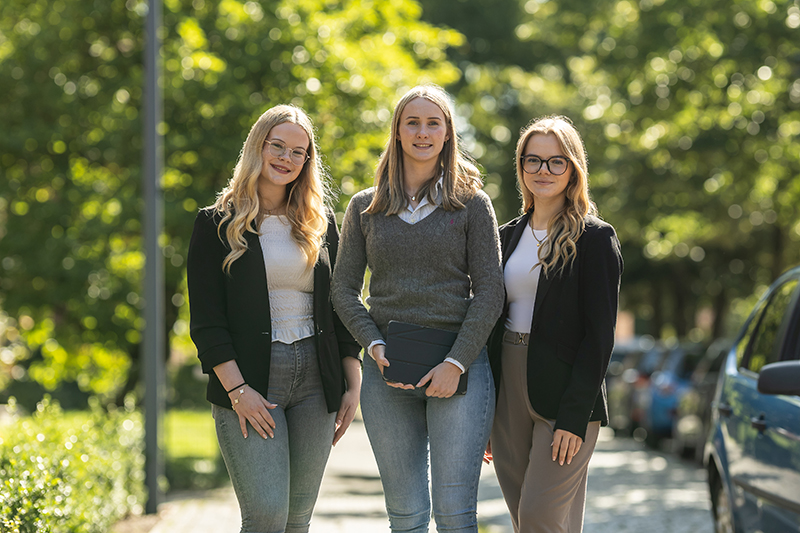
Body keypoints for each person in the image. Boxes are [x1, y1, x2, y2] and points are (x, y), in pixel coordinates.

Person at [331, 85, 504, 533]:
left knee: (454, 516)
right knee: (406, 518)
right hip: (388, 373)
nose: (422, 132)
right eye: (413, 122)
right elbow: (343, 290)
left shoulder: (472, 204)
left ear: (448, 134)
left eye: (434, 123)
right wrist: (372, 343)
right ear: (398, 131)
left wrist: (456, 363)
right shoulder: (364, 208)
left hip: (458, 370)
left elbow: (490, 292)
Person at [186, 104, 362, 533]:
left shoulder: (320, 224)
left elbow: (341, 305)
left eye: (298, 152)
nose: (286, 158)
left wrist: (353, 379)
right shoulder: (216, 224)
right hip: (250, 381)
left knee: (297, 521)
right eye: (277, 146)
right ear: (257, 147)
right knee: (266, 517)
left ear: (307, 161)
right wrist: (237, 390)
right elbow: (207, 320)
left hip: (317, 380)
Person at [486, 115, 623, 533]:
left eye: (555, 162)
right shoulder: (504, 236)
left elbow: (599, 336)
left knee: (539, 518)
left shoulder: (595, 239)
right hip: (508, 386)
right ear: (521, 167)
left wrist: (574, 417)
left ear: (573, 169)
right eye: (533, 161)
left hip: (566, 392)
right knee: (525, 516)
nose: (543, 171)